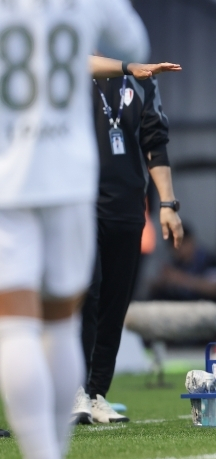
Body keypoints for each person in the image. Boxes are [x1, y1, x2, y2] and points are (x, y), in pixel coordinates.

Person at [0, 0, 149, 459]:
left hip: (6, 175)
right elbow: (135, 47)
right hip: (70, 173)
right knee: (61, 322)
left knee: (15, 322)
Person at [72, 57, 183, 426]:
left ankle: (95, 391)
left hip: (128, 205)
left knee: (115, 303)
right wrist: (124, 66)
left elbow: (155, 140)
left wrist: (167, 204)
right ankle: (72, 389)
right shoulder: (76, 66)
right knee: (86, 293)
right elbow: (78, 60)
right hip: (81, 201)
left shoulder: (141, 81)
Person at [148, 224, 216, 302]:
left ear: (190, 241)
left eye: (181, 243)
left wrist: (180, 279)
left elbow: (215, 289)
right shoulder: (175, 263)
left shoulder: (209, 260)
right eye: (172, 244)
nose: (177, 249)